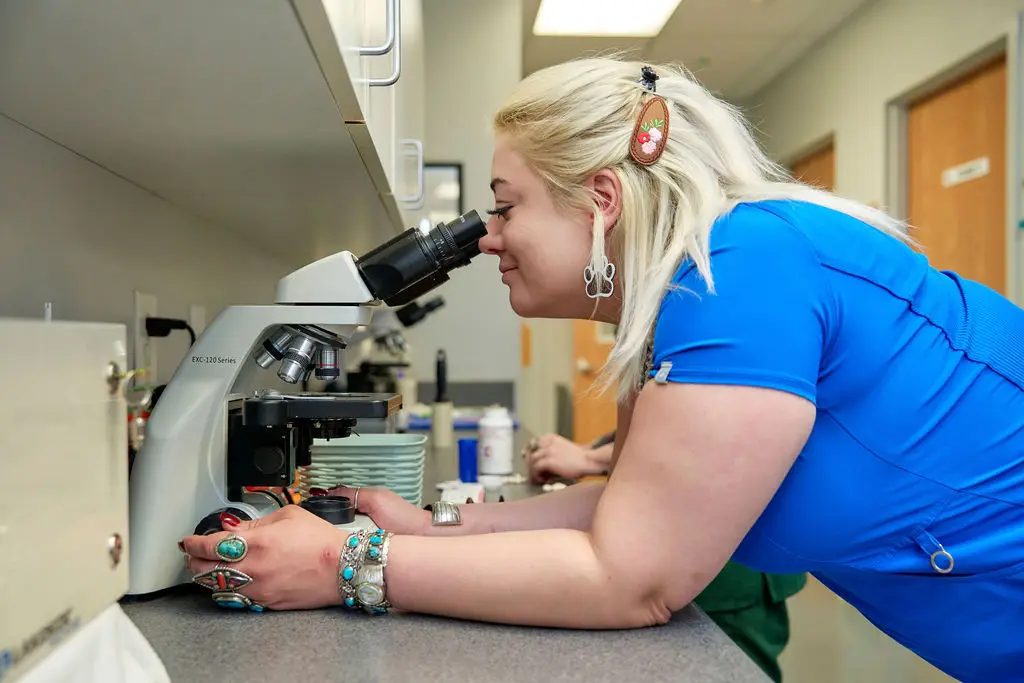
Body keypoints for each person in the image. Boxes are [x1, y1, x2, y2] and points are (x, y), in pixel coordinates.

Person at [181, 57, 1024, 682]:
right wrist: (434, 531)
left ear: (605, 201)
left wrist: (344, 563)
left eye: (507, 207)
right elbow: (641, 505)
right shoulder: (702, 287)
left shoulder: (746, 263)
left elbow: (633, 577)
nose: (491, 238)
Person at [526, 431, 806, 683]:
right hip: (676, 554)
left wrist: (590, 458)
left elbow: (720, 439)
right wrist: (597, 448)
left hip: (728, 570)